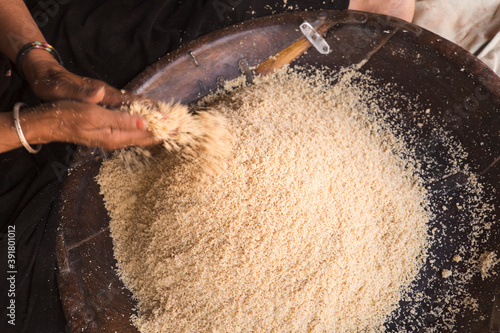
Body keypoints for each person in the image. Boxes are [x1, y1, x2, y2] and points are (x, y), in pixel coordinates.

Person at [0, 1, 415, 332]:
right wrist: (40, 125)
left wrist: (42, 65)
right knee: (30, 300)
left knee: (380, 8)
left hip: (36, 44)